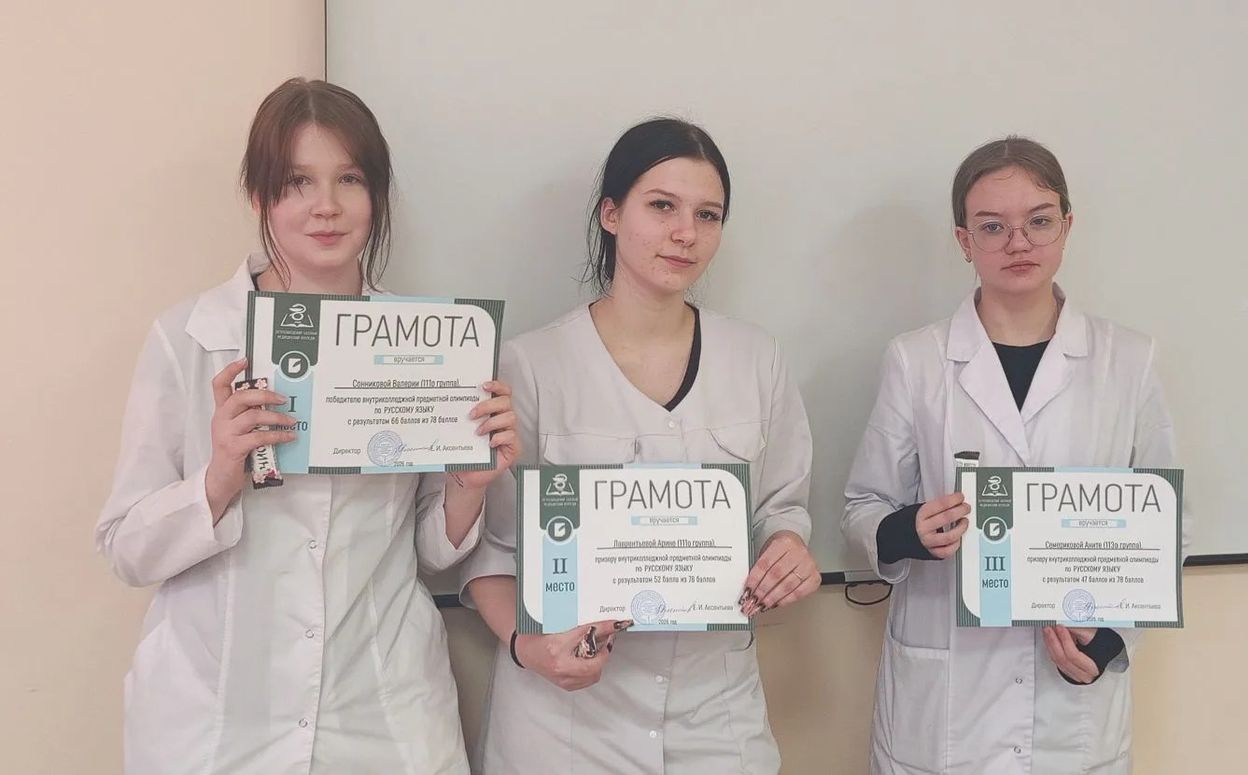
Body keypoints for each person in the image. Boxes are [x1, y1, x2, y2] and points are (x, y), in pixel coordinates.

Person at [96, 77, 520, 775]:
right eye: (297, 182)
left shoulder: (431, 347)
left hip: (382, 709)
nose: (326, 206)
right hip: (216, 716)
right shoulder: (192, 337)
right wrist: (217, 478)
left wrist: (467, 487)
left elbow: (428, 553)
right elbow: (126, 549)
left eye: (349, 179)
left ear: (376, 196)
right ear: (260, 197)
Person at [460, 118, 820, 774]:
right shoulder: (531, 364)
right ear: (611, 214)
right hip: (568, 725)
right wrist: (527, 647)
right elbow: (492, 549)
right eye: (662, 206)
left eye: (707, 215)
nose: (686, 233)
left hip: (716, 717)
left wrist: (789, 549)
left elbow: (781, 509)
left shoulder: (757, 358)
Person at [843, 136, 1186, 774]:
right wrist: (907, 531)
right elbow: (864, 506)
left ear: (1067, 226)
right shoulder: (916, 360)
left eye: (1039, 221)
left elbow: (1167, 527)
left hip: (1070, 705)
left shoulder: (1128, 361)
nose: (1018, 242)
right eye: (993, 226)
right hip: (948, 702)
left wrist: (1107, 640)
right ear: (964, 240)